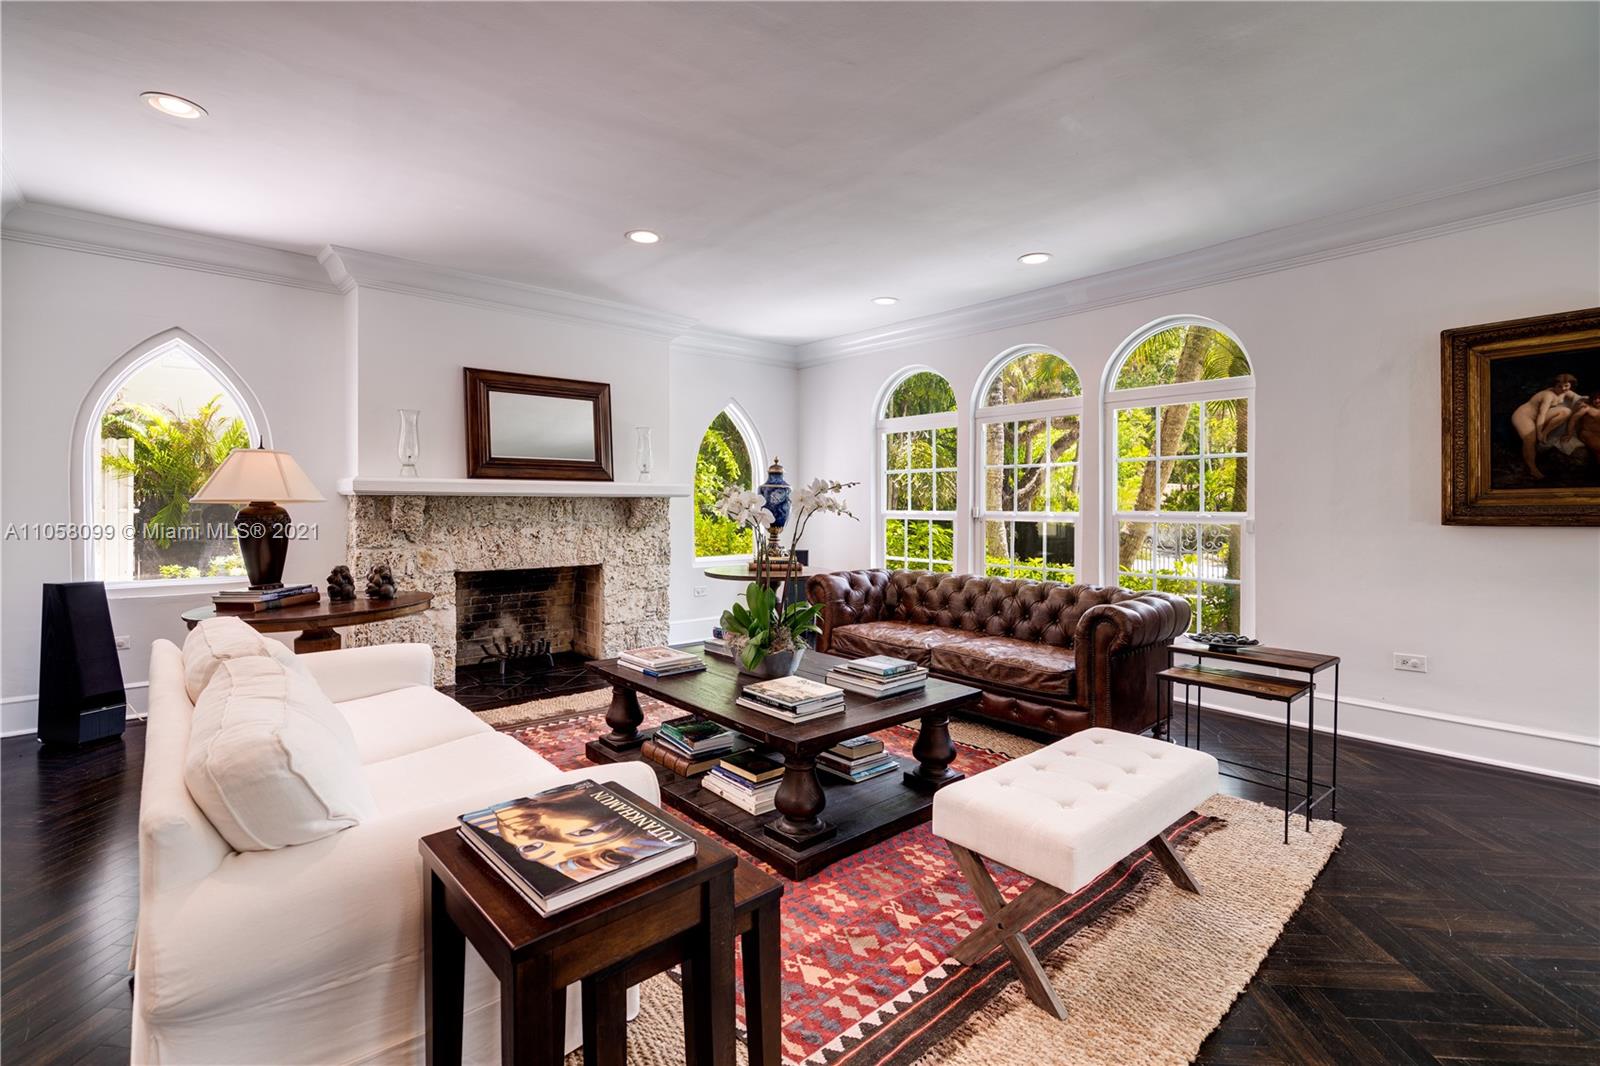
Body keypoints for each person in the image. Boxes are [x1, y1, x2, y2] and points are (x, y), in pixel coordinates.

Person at [1510, 374, 1579, 478]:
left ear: (1570, 385)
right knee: (1530, 439)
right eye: (1559, 386)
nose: (1563, 388)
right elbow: (1541, 414)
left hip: (1537, 416)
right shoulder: (1548, 395)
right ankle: (1532, 468)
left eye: (1566, 386)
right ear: (1554, 385)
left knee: (1566, 411)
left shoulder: (1565, 392)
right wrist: (1539, 433)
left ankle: (1546, 432)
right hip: (1523, 416)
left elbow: (1579, 398)